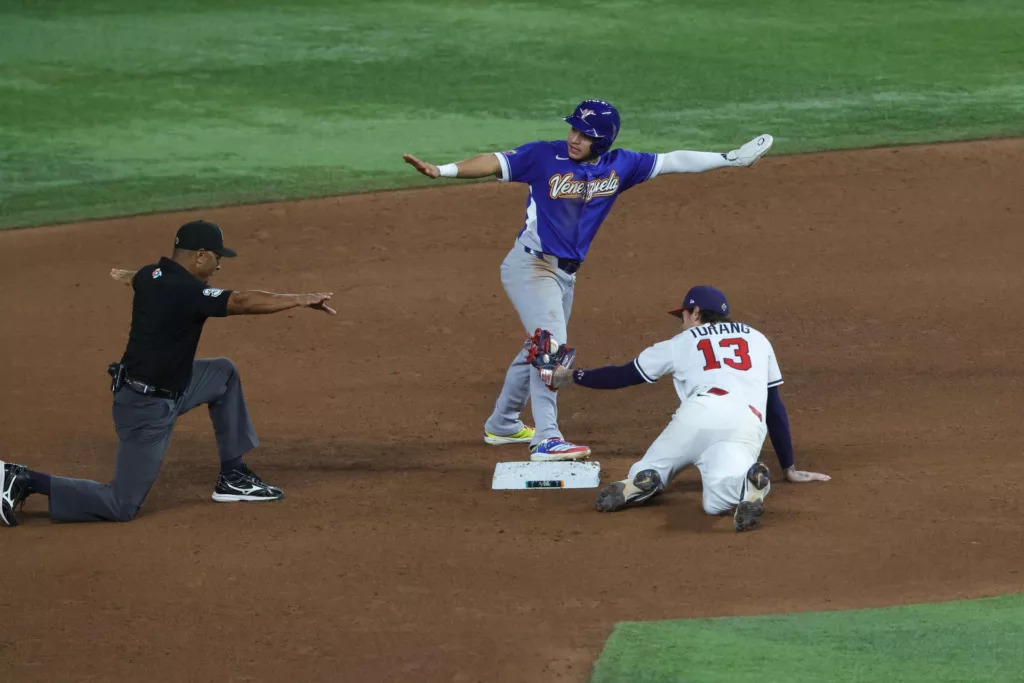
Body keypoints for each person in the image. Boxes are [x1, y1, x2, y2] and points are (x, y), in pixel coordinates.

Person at [403, 99, 773, 462]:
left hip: (564, 275)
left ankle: (503, 423)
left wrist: (730, 158)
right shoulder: (544, 156)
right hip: (532, 266)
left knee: (538, 345)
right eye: (573, 129)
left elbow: (674, 160)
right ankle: (547, 439)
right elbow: (493, 161)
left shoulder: (621, 165)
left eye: (585, 134)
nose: (574, 138)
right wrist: (442, 170)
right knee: (551, 350)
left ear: (603, 141)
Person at [0, 220, 335, 527]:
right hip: (146, 407)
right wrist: (299, 299)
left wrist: (131, 276)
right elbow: (242, 302)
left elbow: (138, 278)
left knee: (222, 373)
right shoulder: (186, 291)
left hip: (172, 385)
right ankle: (22, 479)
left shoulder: (151, 275)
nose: (219, 266)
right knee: (121, 505)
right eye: (217, 257)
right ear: (200, 255)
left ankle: (233, 476)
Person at [532, 285, 829, 531]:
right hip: (746, 424)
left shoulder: (682, 341)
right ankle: (746, 488)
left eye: (683, 314)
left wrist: (570, 376)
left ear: (696, 313)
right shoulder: (757, 339)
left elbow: (625, 375)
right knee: (716, 500)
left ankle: (646, 480)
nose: (681, 321)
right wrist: (789, 467)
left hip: (700, 413)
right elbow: (774, 405)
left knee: (650, 468)